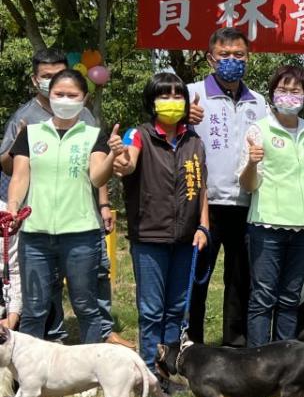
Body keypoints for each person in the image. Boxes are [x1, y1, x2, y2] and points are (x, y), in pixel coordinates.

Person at [0, 49, 129, 347]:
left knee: (86, 305)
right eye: (59, 93)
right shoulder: (29, 133)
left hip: (80, 234)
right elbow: (19, 177)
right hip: (35, 234)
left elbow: (98, 177)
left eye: (73, 95)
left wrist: (113, 155)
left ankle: (92, 369)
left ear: (84, 99)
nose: (65, 100)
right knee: (35, 308)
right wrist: (15, 211)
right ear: (48, 95)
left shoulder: (93, 134)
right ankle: (27, 374)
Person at [112, 73, 209, 373]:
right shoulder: (139, 134)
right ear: (152, 101)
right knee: (152, 310)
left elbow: (202, 187)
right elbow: (128, 162)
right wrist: (120, 157)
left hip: (186, 239)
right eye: (163, 95)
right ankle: (149, 373)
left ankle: (170, 371)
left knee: (178, 310)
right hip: (149, 237)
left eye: (177, 95)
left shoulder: (193, 140)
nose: (171, 101)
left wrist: (203, 226)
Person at [239, 66, 304, 347]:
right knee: (263, 296)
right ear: (272, 94)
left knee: (290, 296)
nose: (289, 96)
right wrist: (252, 163)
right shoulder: (259, 130)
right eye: (283, 89)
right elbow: (248, 184)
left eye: (296, 91)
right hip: (267, 223)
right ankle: (258, 360)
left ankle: (285, 359)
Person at [186, 27, 267, 346]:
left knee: (240, 280)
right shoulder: (191, 95)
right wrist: (181, 118)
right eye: (224, 55)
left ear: (248, 58)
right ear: (210, 59)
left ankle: (235, 345)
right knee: (196, 278)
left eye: (239, 55)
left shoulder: (259, 103)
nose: (232, 61)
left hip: (246, 204)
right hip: (203, 205)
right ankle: (189, 344)